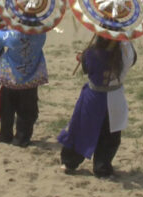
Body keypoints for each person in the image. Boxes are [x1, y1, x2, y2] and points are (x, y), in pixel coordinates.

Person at [58, 36, 136, 178]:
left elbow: (87, 68)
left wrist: (82, 57)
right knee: (110, 135)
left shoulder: (92, 52)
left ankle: (70, 161)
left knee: (81, 129)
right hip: (115, 97)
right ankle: (102, 167)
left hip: (93, 97)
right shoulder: (127, 52)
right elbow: (132, 60)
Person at [0, 29, 48, 147]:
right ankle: (22, 138)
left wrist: (5, 26)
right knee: (27, 110)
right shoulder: (40, 34)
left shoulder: (12, 35)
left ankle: (5, 135)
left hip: (11, 77)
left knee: (7, 109)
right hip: (30, 77)